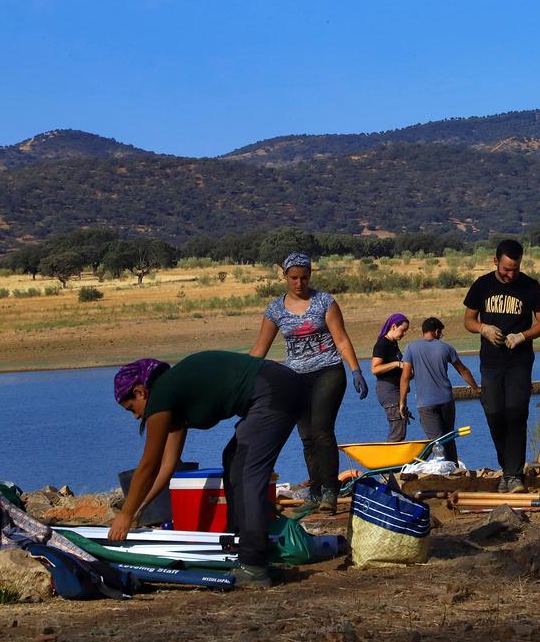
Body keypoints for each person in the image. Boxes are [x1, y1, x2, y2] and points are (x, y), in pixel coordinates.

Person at [110, 351, 301, 588]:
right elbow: (166, 466)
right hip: (278, 387)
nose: (136, 415)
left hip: (274, 390)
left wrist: (125, 515)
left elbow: (148, 465)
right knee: (233, 460)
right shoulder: (173, 399)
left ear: (140, 392)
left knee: (246, 471)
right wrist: (139, 508)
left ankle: (254, 564)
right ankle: (244, 552)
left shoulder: (161, 396)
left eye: (132, 408)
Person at [248, 252, 365, 513]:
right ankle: (314, 490)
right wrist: (240, 374)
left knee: (322, 430)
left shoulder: (324, 301)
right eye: (293, 278)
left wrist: (356, 369)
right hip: (296, 377)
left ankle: (329, 491)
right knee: (307, 436)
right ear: (285, 277)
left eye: (303, 277)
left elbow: (342, 339)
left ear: (310, 276)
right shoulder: (275, 309)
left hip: (328, 371)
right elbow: (260, 348)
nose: (299, 283)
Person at [463, 239, 540, 493]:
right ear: (495, 261)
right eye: (506, 269)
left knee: (515, 412)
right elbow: (468, 319)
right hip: (490, 362)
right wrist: (484, 328)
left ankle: (513, 476)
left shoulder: (530, 286)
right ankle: (507, 468)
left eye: (515, 268)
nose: (511, 274)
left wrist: (523, 336)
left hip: (519, 363)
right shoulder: (482, 285)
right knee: (493, 413)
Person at [398, 317, 478, 463]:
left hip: (425, 404)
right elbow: (463, 370)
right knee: (449, 437)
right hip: (446, 400)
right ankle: (453, 469)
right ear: (436, 331)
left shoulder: (411, 348)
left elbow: (405, 376)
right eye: (441, 333)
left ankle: (442, 473)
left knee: (436, 442)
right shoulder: (446, 348)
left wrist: (402, 402)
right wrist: (476, 388)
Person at [371, 313, 411, 442]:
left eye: (406, 331)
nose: (404, 334)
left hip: (396, 390)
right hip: (387, 390)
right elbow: (375, 369)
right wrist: (396, 364)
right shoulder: (383, 344)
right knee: (397, 431)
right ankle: (387, 460)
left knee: (401, 427)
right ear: (394, 326)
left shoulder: (393, 344)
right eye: (403, 330)